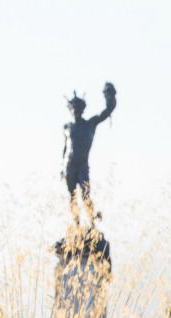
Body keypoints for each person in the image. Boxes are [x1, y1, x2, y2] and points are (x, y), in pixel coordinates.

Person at [62, 82, 117, 227]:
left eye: (78, 108)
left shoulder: (90, 124)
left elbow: (107, 111)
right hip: (70, 165)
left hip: (82, 165)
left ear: (82, 109)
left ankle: (92, 225)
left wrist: (109, 96)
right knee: (72, 197)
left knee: (86, 196)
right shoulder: (67, 127)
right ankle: (76, 226)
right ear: (70, 109)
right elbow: (65, 148)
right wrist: (62, 167)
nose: (75, 110)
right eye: (73, 108)